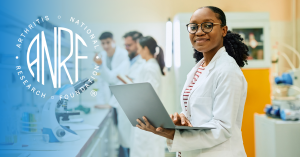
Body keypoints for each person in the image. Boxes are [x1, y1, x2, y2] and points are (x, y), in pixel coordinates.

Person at [135, 6, 249, 157]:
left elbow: (222, 128)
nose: (199, 32)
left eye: (208, 25)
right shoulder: (199, 68)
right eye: (194, 27)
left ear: (223, 30)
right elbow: (199, 111)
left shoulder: (227, 70)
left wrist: (172, 134)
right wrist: (182, 120)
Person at [93, 32, 131, 157]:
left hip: (120, 100)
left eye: (108, 42)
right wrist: (102, 102)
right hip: (109, 101)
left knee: (123, 132)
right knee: (116, 131)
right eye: (103, 43)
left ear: (113, 41)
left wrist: (100, 65)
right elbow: (101, 82)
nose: (105, 46)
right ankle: (121, 153)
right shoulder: (102, 56)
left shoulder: (123, 55)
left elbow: (113, 78)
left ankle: (124, 153)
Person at [130, 36, 165, 157]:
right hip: (146, 116)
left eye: (139, 48)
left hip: (148, 117)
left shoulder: (150, 67)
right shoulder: (149, 65)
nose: (138, 51)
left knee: (147, 150)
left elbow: (150, 94)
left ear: (145, 48)